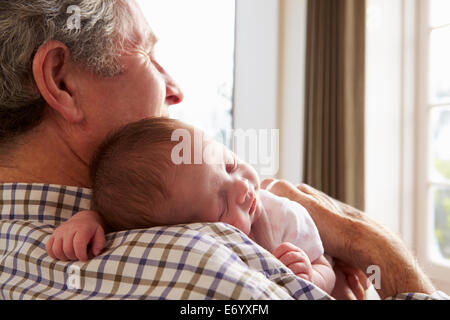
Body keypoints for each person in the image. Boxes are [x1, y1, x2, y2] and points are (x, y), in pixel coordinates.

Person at [0, 0, 447, 300]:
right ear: (62, 81)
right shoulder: (205, 265)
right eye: (148, 57)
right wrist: (378, 247)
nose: (175, 89)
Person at [46, 118, 337, 295]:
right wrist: (89, 219)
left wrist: (314, 277)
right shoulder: (171, 236)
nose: (242, 187)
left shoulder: (282, 216)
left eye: (230, 164)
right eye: (222, 204)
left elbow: (326, 264)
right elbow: (126, 226)